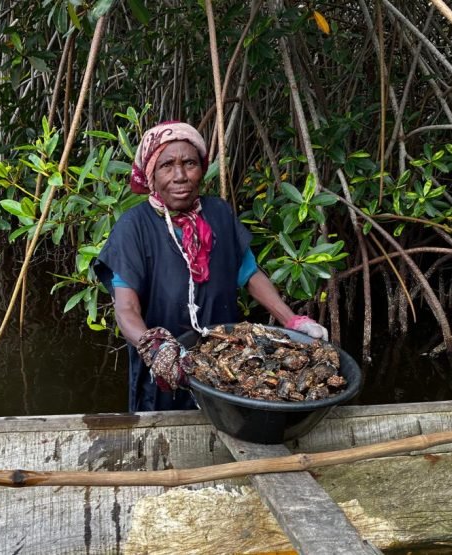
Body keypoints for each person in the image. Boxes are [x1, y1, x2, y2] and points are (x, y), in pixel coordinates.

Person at [94, 121, 328, 412]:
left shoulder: (217, 213)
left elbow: (250, 274)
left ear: (202, 170)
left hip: (222, 360)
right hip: (163, 373)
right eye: (167, 165)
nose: (180, 176)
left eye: (189, 163)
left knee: (226, 420)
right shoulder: (133, 227)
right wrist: (156, 349)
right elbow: (126, 308)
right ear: (151, 174)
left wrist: (293, 321)